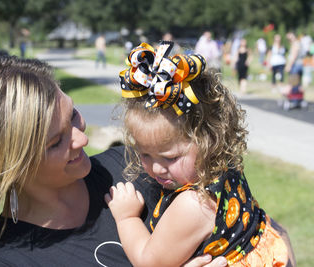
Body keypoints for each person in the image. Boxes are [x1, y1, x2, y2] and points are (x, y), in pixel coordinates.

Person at [0, 56, 228, 267]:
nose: (82, 140)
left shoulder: (136, 167)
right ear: (9, 168)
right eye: (56, 142)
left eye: (73, 115)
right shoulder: (11, 263)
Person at [107, 41, 295, 266]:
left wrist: (126, 217)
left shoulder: (194, 205)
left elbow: (148, 262)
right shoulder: (224, 166)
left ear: (209, 140)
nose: (156, 168)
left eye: (170, 158)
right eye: (144, 154)